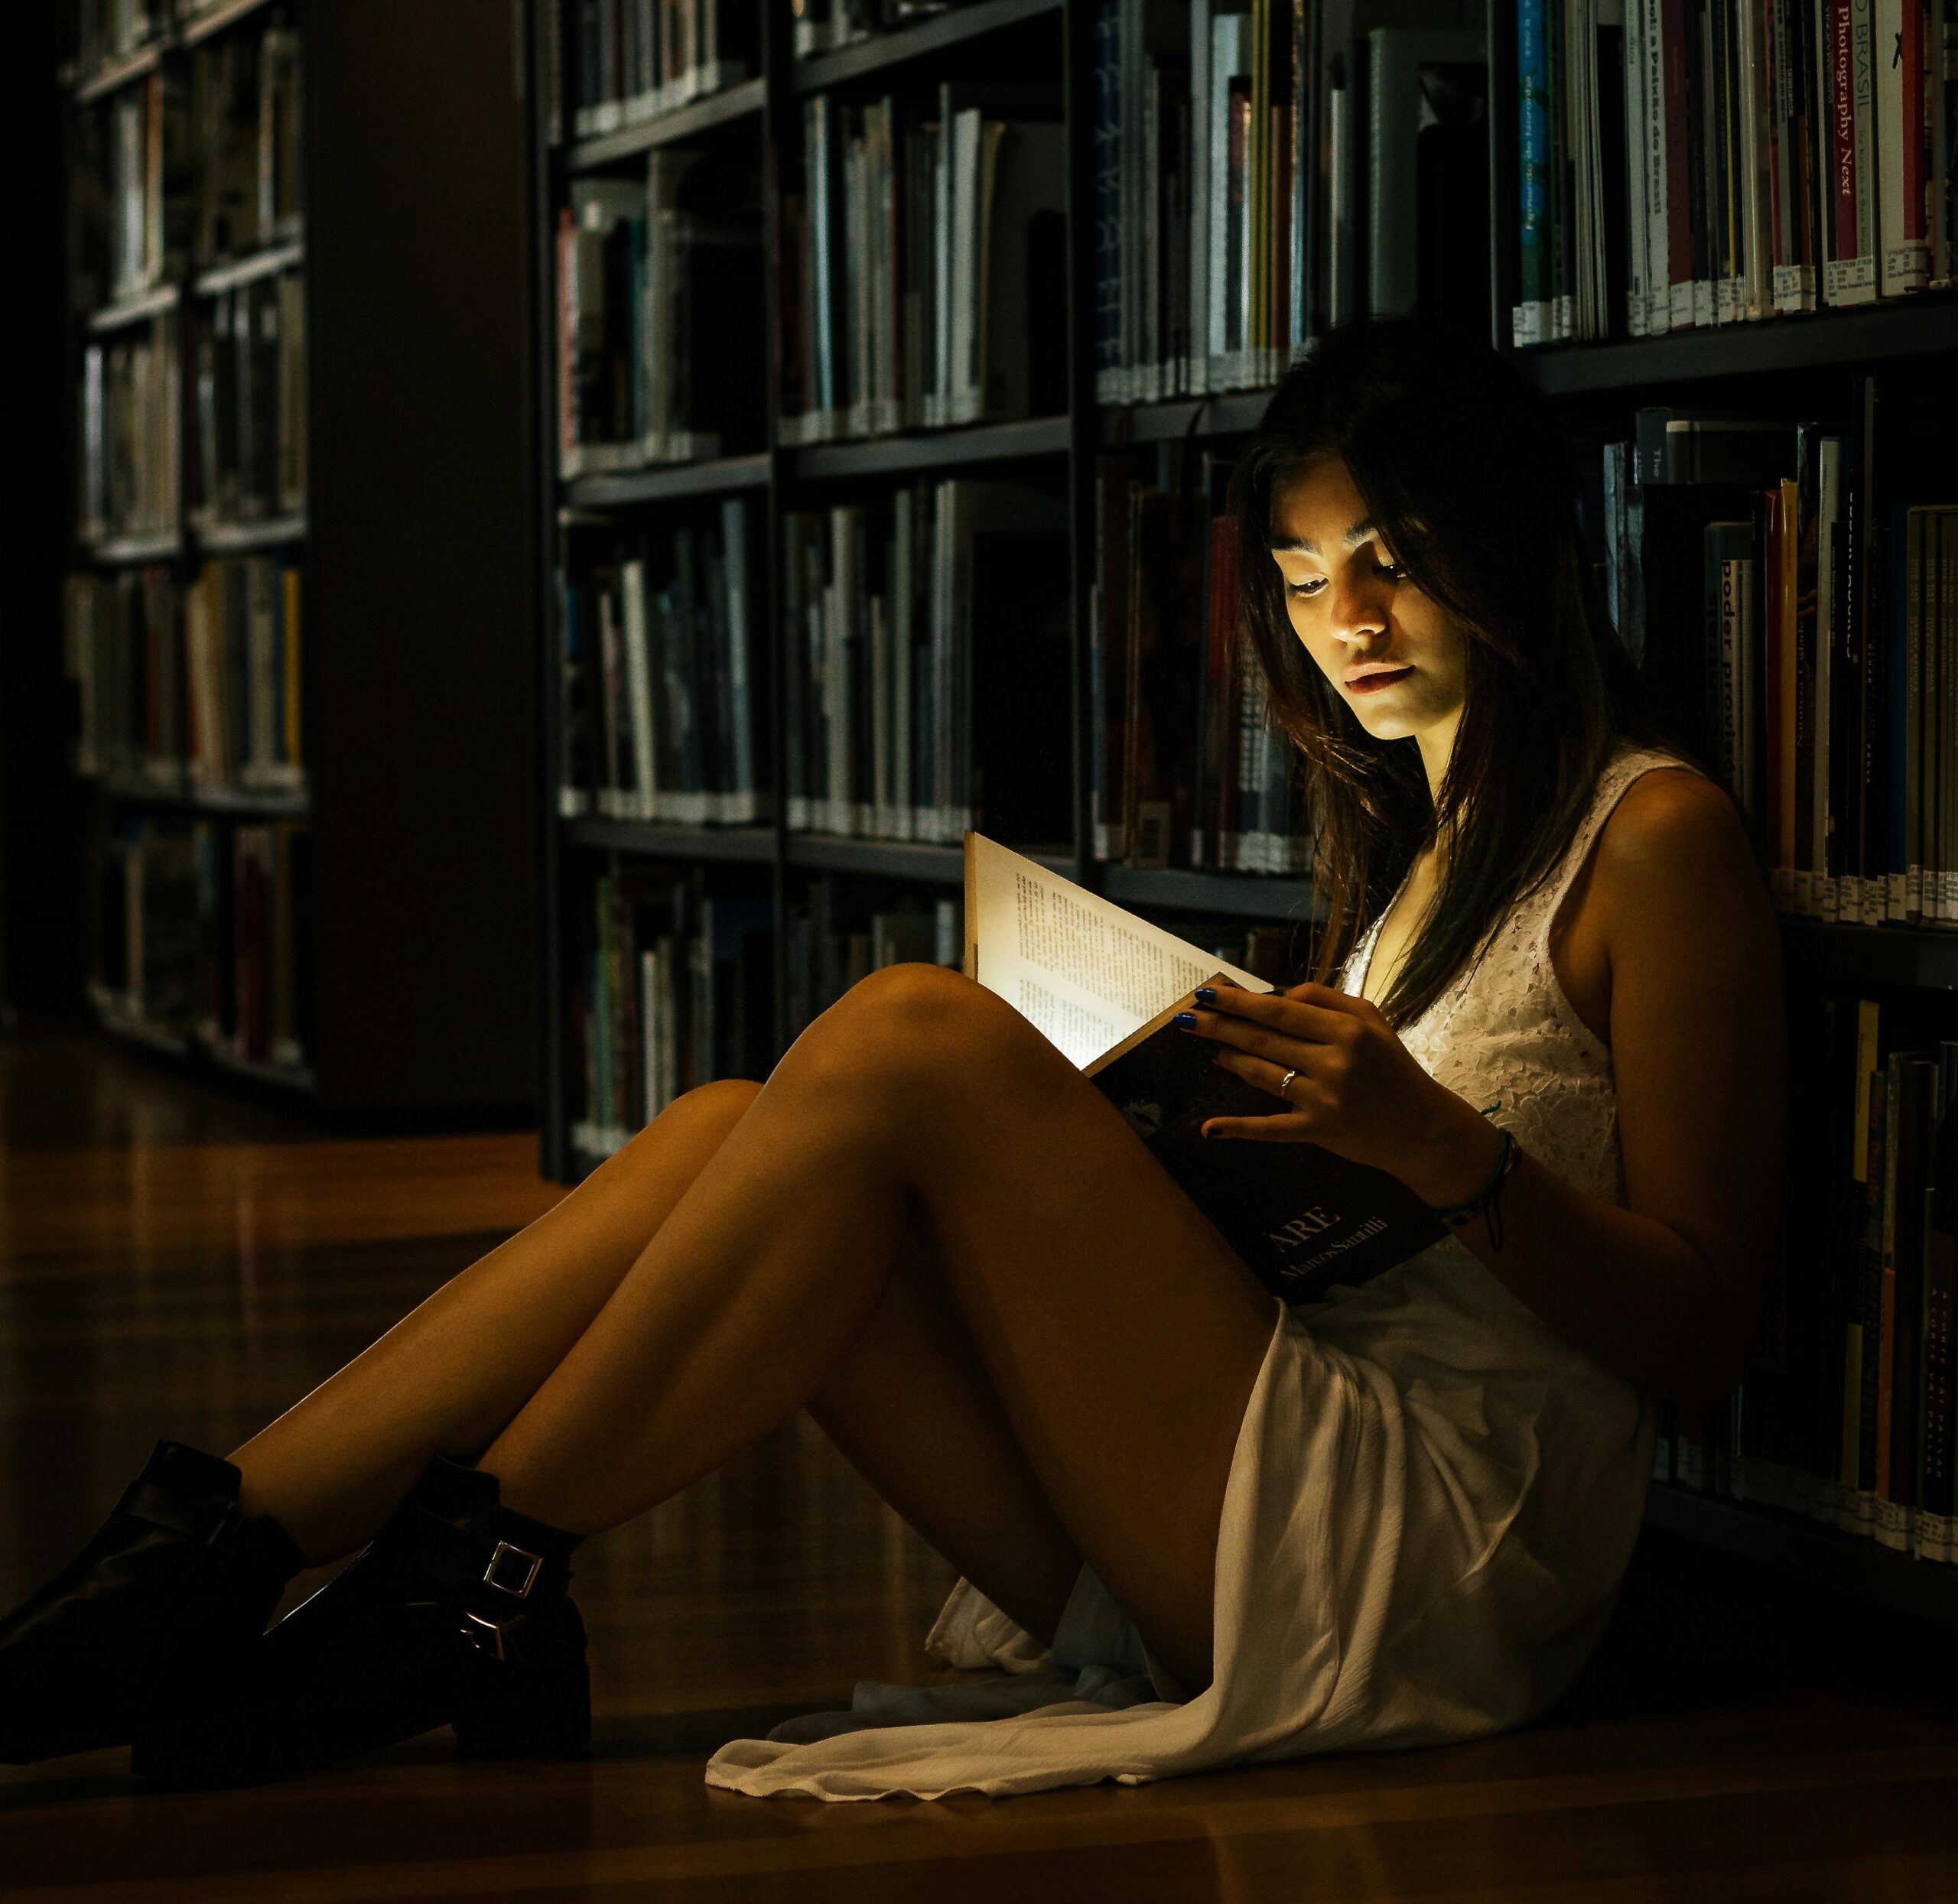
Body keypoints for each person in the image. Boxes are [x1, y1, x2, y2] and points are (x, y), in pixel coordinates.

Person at [0, 320, 1784, 1800]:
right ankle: (221, 1556)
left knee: (919, 1035)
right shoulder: (1405, 858)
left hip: (1440, 1547)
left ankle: (443, 1582)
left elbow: (1703, 1332)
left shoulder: (1652, 835)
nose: (1349, 622)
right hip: (1255, 1451)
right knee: (726, 1131)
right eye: (1308, 578)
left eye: (1391, 563)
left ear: (1503, 546)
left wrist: (1438, 1155)